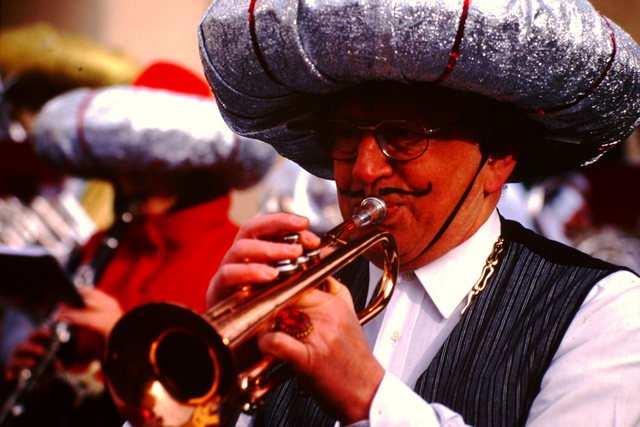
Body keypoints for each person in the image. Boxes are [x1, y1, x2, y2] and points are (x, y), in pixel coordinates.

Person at [196, 1, 640, 426]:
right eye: (346, 133)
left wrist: (366, 396)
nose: (365, 169)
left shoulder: (606, 312)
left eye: (404, 135)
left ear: (498, 156)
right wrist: (215, 377)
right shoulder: (298, 293)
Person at [2, 62, 276, 426]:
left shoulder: (237, 254)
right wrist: (37, 369)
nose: (133, 175)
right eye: (124, 157)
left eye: (156, 161)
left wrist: (122, 337)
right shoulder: (99, 245)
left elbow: (218, 407)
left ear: (197, 166)